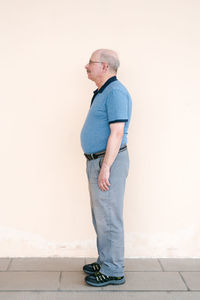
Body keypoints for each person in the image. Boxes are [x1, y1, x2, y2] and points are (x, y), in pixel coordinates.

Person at [80, 49, 132, 287]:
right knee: (101, 216)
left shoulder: (116, 92)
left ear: (105, 66)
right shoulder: (103, 91)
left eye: (91, 63)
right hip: (97, 160)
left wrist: (106, 167)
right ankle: (106, 260)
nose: (86, 66)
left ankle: (114, 270)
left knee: (109, 217)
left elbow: (117, 132)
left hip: (107, 162)